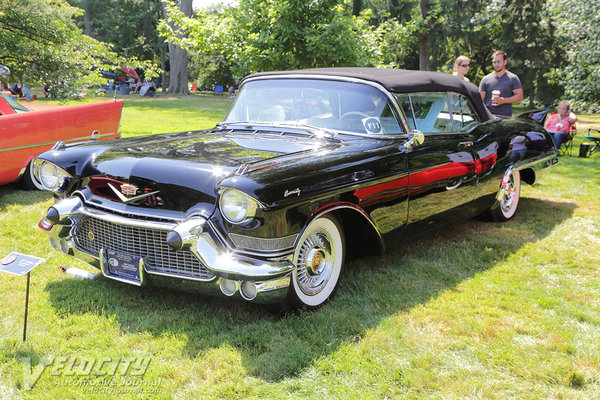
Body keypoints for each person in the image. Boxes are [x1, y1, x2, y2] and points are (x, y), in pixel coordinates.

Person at [479, 50, 524, 117]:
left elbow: (520, 96)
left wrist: (503, 100)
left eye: (499, 62)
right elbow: (479, 100)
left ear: (505, 62)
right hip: (488, 117)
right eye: (494, 62)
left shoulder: (513, 78)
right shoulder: (486, 79)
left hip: (505, 117)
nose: (496, 64)